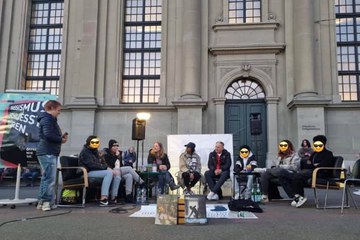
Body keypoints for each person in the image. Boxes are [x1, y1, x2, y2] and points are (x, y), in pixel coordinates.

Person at [36, 100, 68, 211]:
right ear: (52, 108)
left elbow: (48, 134)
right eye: (58, 110)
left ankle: (42, 201)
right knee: (50, 178)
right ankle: (46, 202)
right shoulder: (48, 119)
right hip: (48, 151)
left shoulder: (47, 119)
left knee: (46, 178)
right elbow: (48, 134)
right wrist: (61, 139)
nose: (59, 112)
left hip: (47, 151)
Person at [290, 135, 335, 208]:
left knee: (299, 176)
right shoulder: (314, 153)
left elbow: (324, 165)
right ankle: (298, 196)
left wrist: (314, 165)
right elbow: (308, 163)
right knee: (296, 175)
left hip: (321, 173)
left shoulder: (328, 153)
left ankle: (300, 196)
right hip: (313, 171)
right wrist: (314, 165)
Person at [79, 135, 121, 206]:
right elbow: (92, 165)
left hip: (95, 171)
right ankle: (103, 199)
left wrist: (108, 168)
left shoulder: (95, 152)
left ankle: (113, 198)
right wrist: (106, 168)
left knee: (117, 176)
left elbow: (102, 163)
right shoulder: (85, 152)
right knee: (109, 173)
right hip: (86, 172)